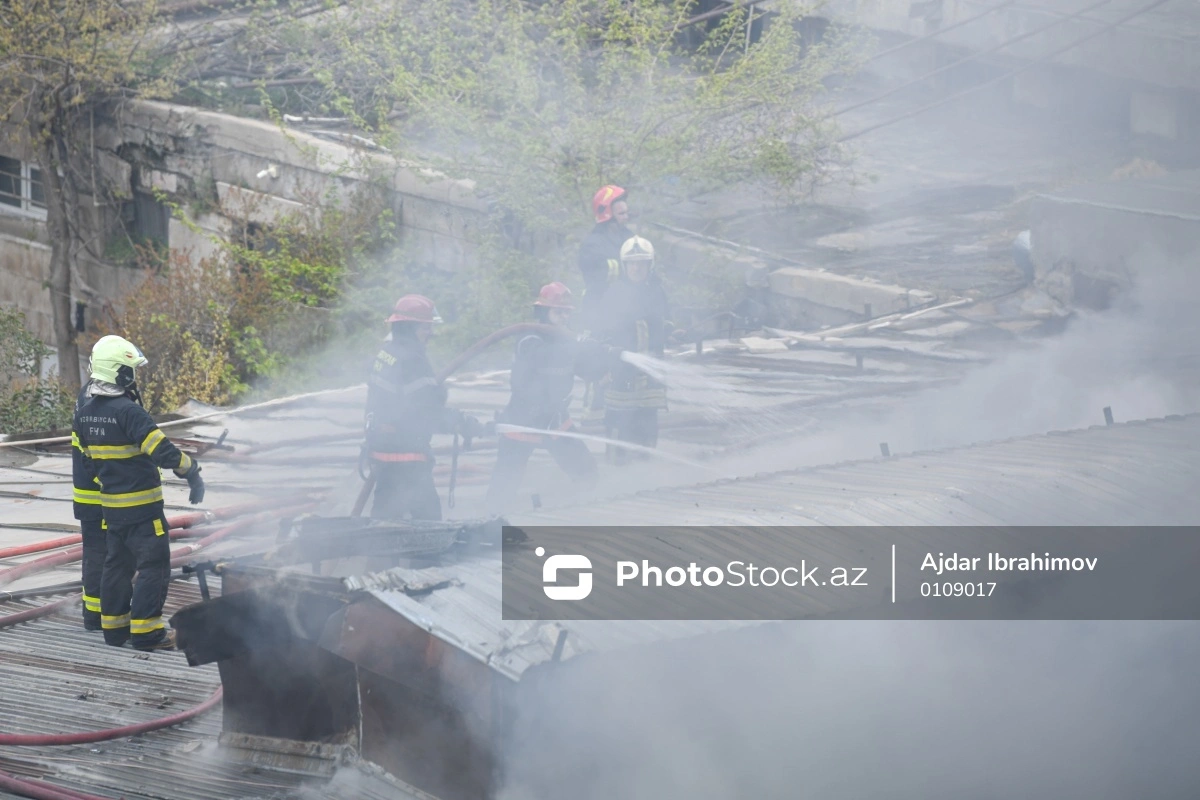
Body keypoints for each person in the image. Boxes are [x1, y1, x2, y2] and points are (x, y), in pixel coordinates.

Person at [74, 335, 205, 651]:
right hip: (144, 511)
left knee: (116, 566)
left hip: (112, 511)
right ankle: (147, 633)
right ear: (120, 372)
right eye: (131, 370)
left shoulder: (84, 412)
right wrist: (192, 471)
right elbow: (164, 452)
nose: (135, 377)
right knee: (154, 566)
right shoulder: (129, 412)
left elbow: (88, 460)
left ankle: (114, 630)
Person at [484, 282, 612, 512]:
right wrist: (576, 345)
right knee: (504, 485)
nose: (563, 317)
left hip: (555, 420)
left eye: (566, 312)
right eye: (558, 312)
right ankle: (487, 526)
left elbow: (584, 368)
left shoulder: (567, 341)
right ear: (543, 312)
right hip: (523, 421)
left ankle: (574, 512)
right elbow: (543, 359)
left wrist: (604, 364)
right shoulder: (530, 339)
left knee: (586, 471)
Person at [364, 294, 481, 520]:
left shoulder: (388, 352)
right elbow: (426, 412)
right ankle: (424, 554)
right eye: (426, 327)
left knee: (384, 521)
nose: (430, 333)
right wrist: (461, 422)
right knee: (429, 524)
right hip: (406, 456)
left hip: (382, 449)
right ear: (410, 327)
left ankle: (375, 552)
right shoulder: (413, 360)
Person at [594, 236, 669, 463]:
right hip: (621, 376)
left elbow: (666, 319)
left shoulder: (657, 291)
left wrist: (672, 331)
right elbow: (601, 335)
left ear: (650, 265)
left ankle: (643, 471)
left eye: (642, 263)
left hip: (650, 377)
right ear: (624, 265)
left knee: (648, 426)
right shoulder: (614, 293)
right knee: (620, 428)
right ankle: (617, 472)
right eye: (632, 263)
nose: (637, 268)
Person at [577, 185, 632, 422]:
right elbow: (597, 278)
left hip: (626, 311)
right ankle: (592, 417)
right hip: (599, 313)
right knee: (598, 367)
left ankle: (622, 414)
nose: (625, 214)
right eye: (620, 211)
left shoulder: (629, 238)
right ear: (607, 213)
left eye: (626, 210)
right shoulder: (592, 244)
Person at [70, 384, 104, 632]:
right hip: (98, 495)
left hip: (90, 494)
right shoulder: (95, 399)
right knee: (101, 556)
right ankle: (97, 615)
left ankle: (96, 613)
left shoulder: (88, 395)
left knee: (97, 555)